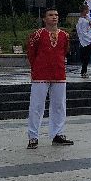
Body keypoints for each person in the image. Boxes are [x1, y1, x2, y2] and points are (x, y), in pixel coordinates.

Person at [26, 9, 72, 149]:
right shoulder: (37, 35)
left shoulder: (64, 35)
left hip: (59, 73)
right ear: (44, 19)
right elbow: (31, 53)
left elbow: (65, 52)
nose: (54, 18)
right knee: (36, 106)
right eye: (51, 15)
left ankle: (58, 133)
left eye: (56, 15)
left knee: (59, 105)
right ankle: (33, 136)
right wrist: (36, 67)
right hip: (40, 74)